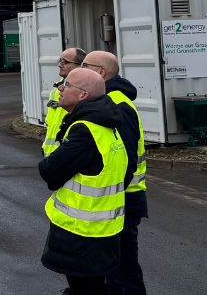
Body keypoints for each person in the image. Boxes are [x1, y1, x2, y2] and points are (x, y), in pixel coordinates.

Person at [39, 67, 132, 295]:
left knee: (86, 289)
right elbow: (127, 171)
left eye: (67, 85)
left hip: (81, 234)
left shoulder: (86, 130)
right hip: (104, 231)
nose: (60, 88)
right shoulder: (107, 125)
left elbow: (50, 171)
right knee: (93, 288)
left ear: (83, 95)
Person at [82, 51, 148, 295]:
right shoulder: (108, 99)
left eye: (85, 65)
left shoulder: (117, 104)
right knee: (112, 269)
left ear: (101, 72)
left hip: (123, 198)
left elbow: (125, 161)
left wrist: (110, 194)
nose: (80, 69)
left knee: (124, 269)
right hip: (117, 197)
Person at [45, 48, 88, 155]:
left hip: (70, 156)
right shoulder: (56, 90)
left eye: (64, 62)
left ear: (80, 65)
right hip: (50, 156)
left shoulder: (85, 91)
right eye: (59, 61)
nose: (59, 65)